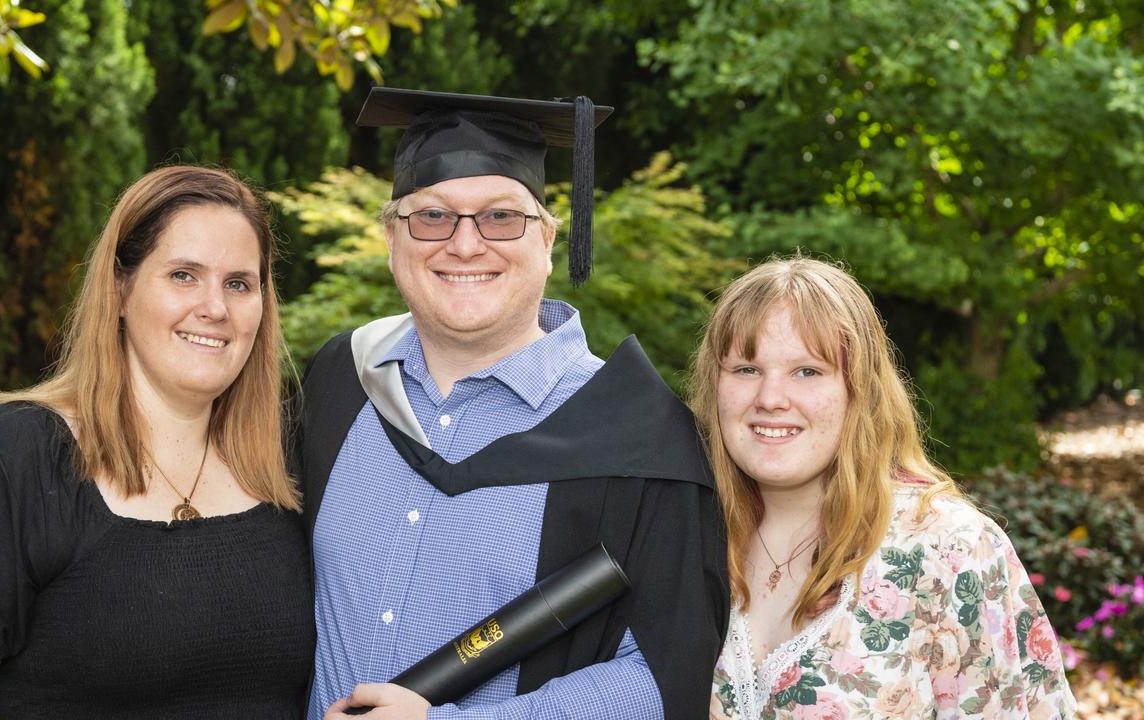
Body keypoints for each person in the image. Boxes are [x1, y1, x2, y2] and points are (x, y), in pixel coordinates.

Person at [295, 88, 726, 719]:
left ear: (549, 240)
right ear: (391, 238)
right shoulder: (339, 382)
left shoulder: (641, 439)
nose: (465, 245)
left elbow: (663, 680)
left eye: (501, 217)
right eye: (432, 216)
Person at [0, 166, 314, 719]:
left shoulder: (287, 463)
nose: (216, 307)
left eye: (239, 283)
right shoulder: (16, 461)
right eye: (184, 275)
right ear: (119, 290)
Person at [690, 257, 1077, 718]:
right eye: (746, 369)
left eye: (808, 371)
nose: (771, 398)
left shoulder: (950, 549)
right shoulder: (685, 531)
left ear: (860, 389)